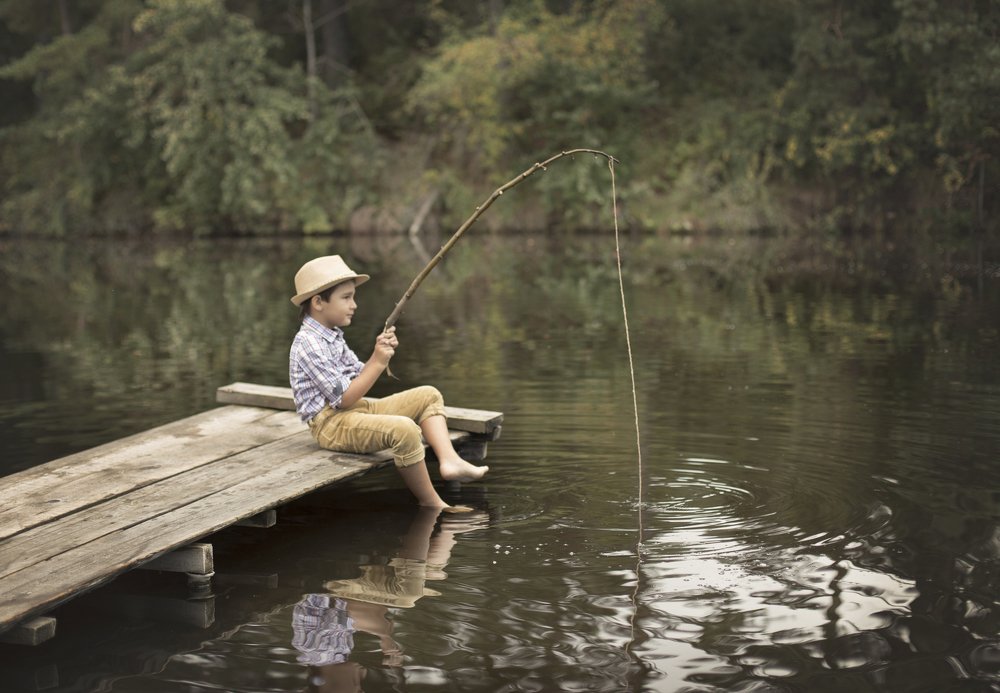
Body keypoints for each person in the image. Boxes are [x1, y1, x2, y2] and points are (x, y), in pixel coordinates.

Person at [289, 255, 488, 510]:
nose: (354, 305)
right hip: (331, 424)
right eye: (346, 297)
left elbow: (359, 374)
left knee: (428, 395)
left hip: (354, 410)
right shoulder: (308, 343)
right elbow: (344, 398)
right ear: (318, 302)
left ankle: (449, 461)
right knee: (404, 430)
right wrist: (378, 362)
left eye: (353, 296)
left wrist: (379, 351)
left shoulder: (331, 335)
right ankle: (433, 503)